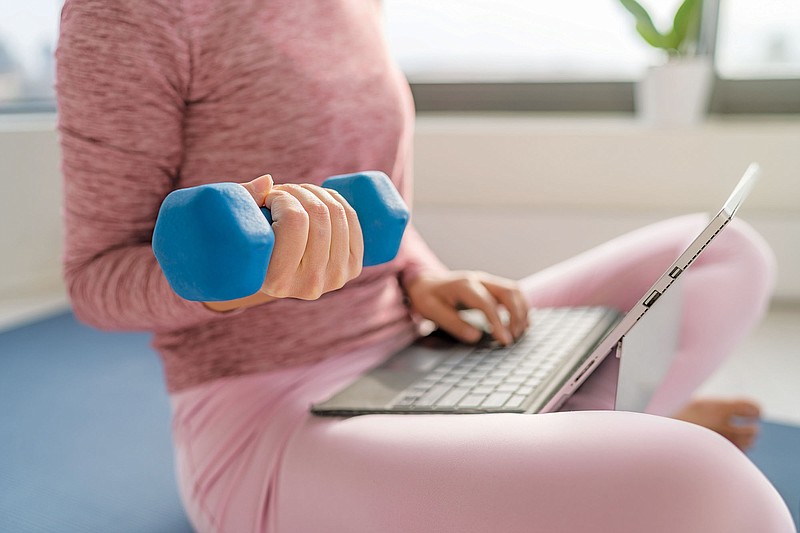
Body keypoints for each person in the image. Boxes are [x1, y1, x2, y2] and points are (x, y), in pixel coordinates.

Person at [55, 1, 795, 532]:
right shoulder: (125, 13)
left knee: (725, 256)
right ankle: (594, 435)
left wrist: (422, 274)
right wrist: (240, 284)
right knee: (705, 482)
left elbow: (368, 198)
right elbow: (95, 280)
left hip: (414, 348)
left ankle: (567, 432)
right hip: (272, 416)